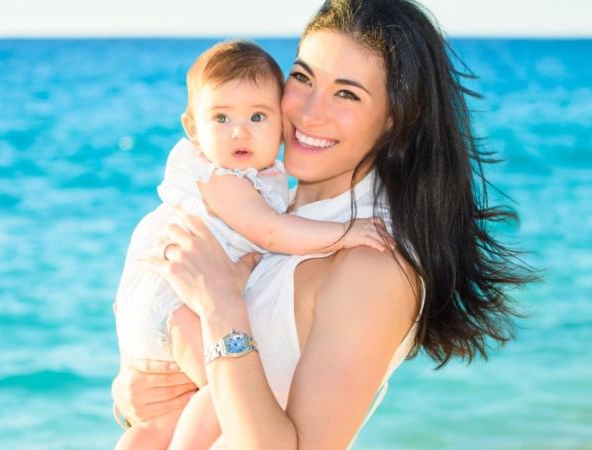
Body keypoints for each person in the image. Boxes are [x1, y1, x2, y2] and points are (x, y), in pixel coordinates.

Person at [113, 0, 535, 448]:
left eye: (347, 94)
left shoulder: (374, 263)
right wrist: (138, 399)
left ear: (394, 118)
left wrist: (221, 304)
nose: (309, 112)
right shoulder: (268, 209)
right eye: (303, 78)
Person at [113, 41, 389, 450]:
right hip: (173, 302)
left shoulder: (267, 187)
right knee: (218, 391)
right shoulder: (222, 177)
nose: (239, 131)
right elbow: (271, 232)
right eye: (221, 117)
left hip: (175, 304)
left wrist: (126, 401)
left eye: (257, 116)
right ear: (193, 128)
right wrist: (346, 233)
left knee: (159, 425)